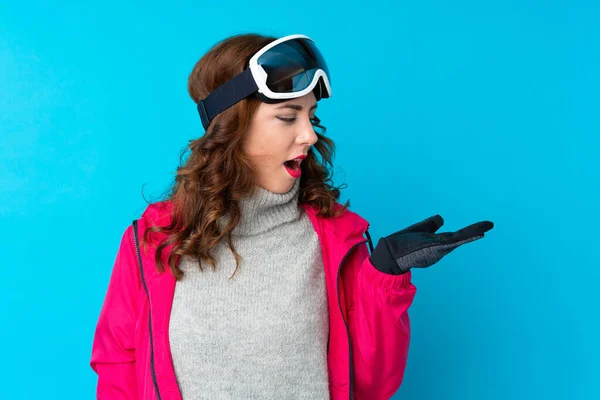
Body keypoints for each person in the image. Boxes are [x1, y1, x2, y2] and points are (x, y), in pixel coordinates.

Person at [90, 33, 494, 400]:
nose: (310, 135)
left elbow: (373, 385)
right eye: (288, 117)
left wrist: (384, 278)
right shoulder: (155, 238)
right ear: (231, 127)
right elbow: (117, 364)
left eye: (311, 116)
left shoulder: (338, 240)